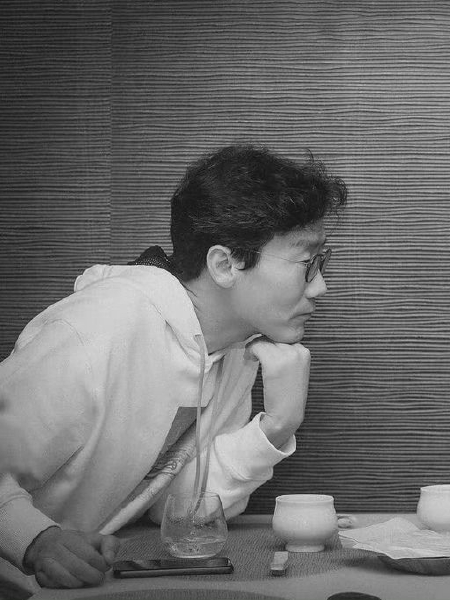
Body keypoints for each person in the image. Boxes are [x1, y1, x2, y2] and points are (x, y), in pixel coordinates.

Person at [0, 145, 347, 593]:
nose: (321, 287)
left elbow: (175, 510)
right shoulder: (98, 328)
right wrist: (35, 540)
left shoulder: (235, 347)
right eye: (308, 263)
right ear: (225, 264)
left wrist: (276, 427)